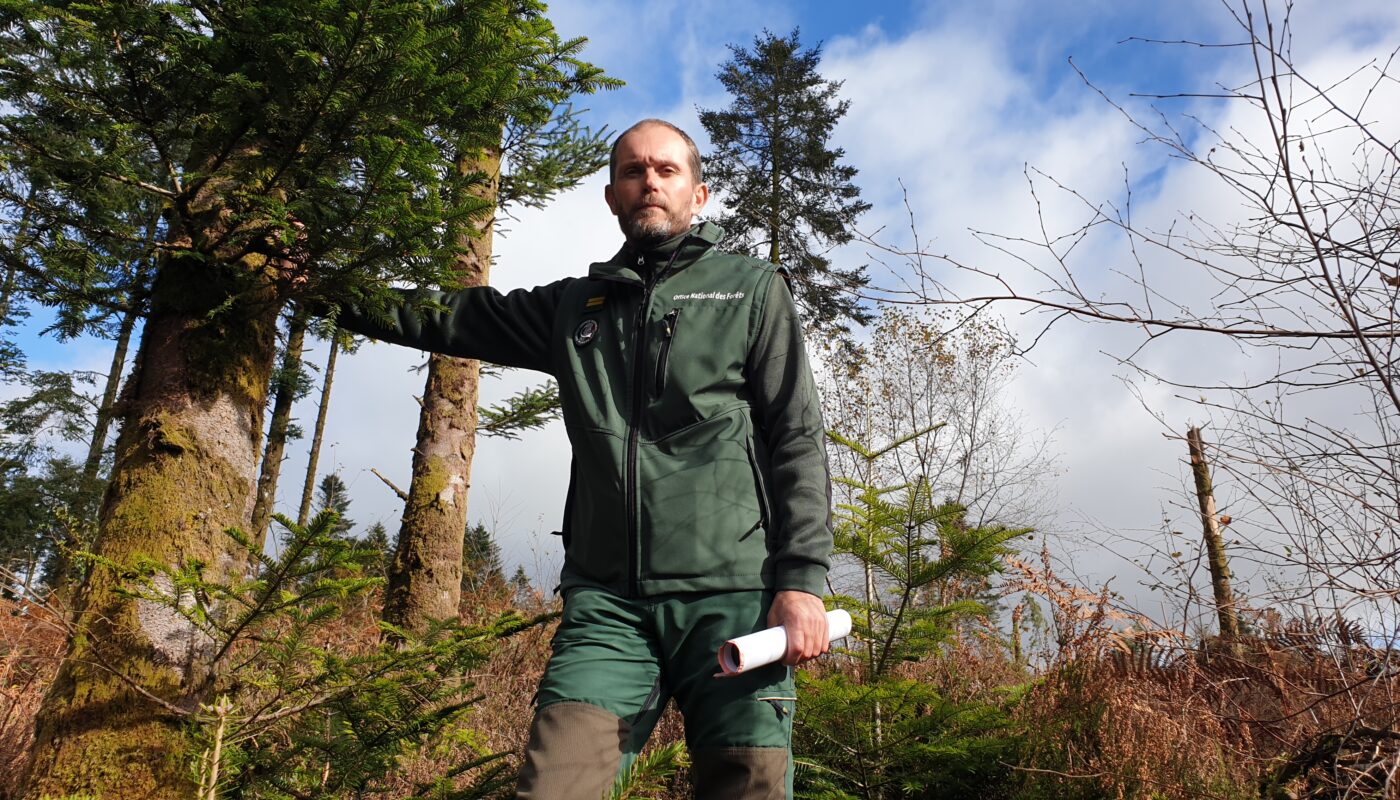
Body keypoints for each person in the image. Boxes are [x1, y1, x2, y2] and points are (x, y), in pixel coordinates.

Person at [328, 119, 833, 799]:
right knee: (553, 788)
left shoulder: (751, 289)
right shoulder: (576, 307)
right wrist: (323, 287)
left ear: (698, 193)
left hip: (733, 596)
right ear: (612, 196)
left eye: (666, 170)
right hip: (607, 607)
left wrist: (801, 583)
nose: (649, 181)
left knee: (750, 788)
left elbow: (796, 434)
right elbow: (453, 316)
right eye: (632, 171)